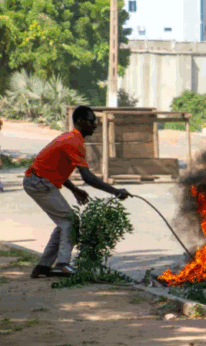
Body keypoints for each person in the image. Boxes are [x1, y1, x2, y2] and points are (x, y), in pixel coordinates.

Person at [24, 105, 132, 278]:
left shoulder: (70, 139)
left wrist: (74, 189)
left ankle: (43, 266)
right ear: (81, 122)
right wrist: (115, 191)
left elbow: (53, 168)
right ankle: (62, 264)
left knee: (64, 222)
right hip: (38, 182)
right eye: (92, 122)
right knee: (70, 221)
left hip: (39, 180)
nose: (95, 126)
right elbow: (88, 177)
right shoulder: (74, 142)